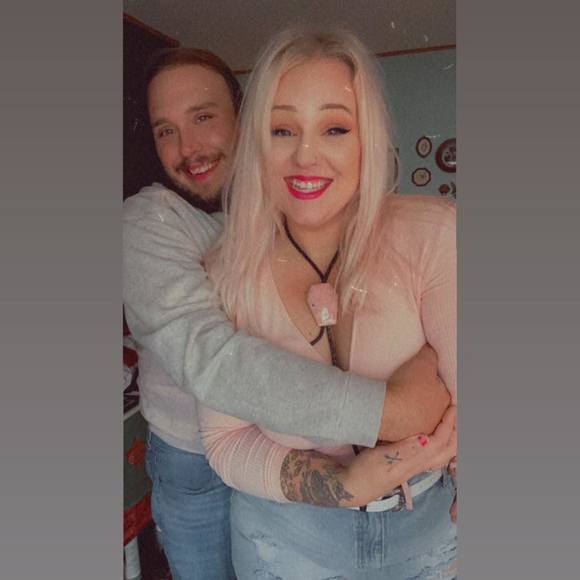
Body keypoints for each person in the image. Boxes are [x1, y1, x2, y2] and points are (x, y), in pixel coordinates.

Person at [123, 48, 452, 580]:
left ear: (243, 118)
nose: (187, 148)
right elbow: (215, 362)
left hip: (292, 470)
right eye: (166, 130)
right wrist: (393, 413)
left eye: (203, 117)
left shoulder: (285, 210)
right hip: (192, 455)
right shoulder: (149, 221)